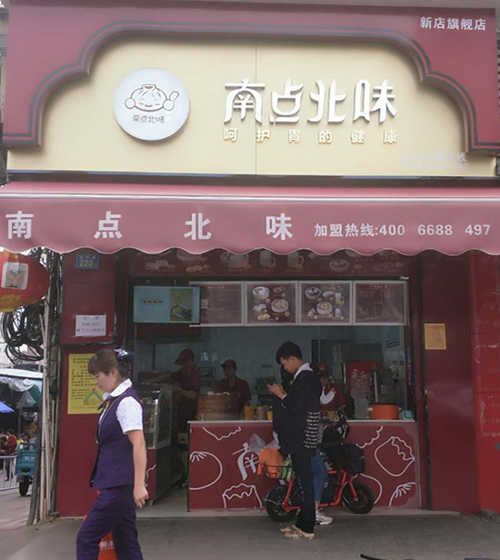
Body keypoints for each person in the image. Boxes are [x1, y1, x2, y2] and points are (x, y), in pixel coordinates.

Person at [76, 349, 148, 560]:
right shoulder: (113, 401)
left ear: (113, 372)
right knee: (125, 541)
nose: (96, 381)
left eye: (98, 375)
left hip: (119, 486)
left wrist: (139, 485)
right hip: (116, 483)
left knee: (86, 537)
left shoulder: (126, 403)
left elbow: (139, 443)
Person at [268, 341, 321, 540]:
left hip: (302, 437)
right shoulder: (306, 377)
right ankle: (302, 523)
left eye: (284, 363)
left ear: (292, 358)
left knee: (305, 483)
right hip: (305, 436)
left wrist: (281, 394)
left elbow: (297, 407)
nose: (284, 368)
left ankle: (307, 527)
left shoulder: (306, 378)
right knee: (302, 482)